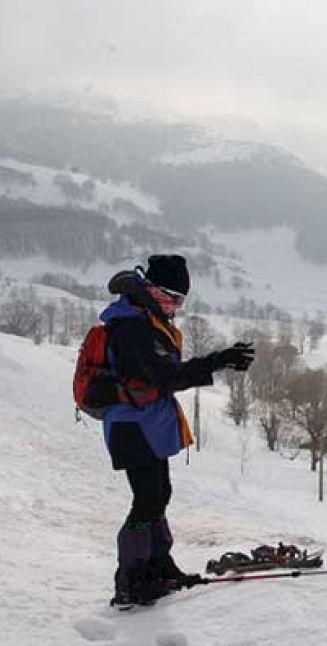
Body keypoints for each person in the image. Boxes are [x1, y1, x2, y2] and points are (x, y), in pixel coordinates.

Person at [99, 254, 255, 607]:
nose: (177, 306)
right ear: (151, 289)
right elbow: (167, 377)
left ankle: (159, 567)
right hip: (130, 425)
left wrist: (219, 359)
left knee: (160, 494)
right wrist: (218, 360)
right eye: (172, 297)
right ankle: (131, 581)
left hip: (146, 422)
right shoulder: (133, 327)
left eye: (181, 300)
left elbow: (164, 376)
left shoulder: (149, 319)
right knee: (148, 499)